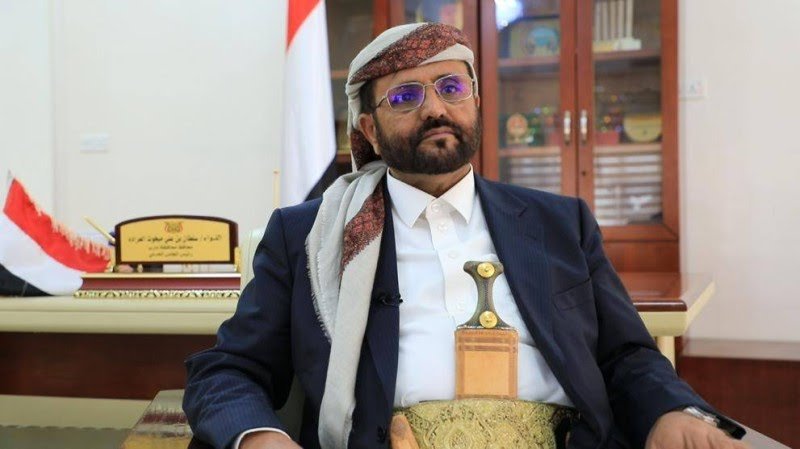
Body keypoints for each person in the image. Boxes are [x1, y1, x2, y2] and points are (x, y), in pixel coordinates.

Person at [183, 23, 747, 449]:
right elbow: (227, 370)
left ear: (475, 101)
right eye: (405, 96)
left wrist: (672, 412)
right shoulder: (307, 236)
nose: (435, 108)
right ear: (369, 130)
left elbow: (625, 356)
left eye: (451, 87)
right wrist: (259, 438)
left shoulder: (560, 223)